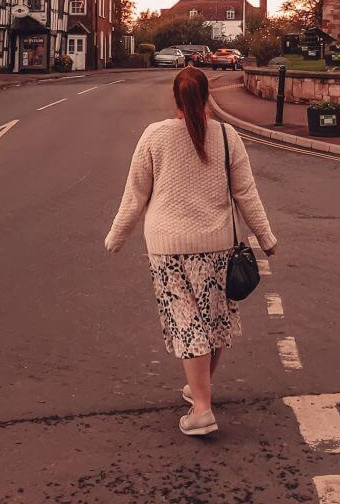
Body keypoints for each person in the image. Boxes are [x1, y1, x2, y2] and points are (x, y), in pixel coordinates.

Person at [104, 66, 277, 437]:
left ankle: (201, 408)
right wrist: (266, 237)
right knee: (212, 323)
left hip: (168, 249)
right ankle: (200, 391)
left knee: (187, 322)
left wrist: (117, 236)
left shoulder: (155, 135)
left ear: (176, 98)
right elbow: (246, 192)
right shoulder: (227, 136)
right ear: (207, 97)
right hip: (217, 245)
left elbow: (136, 194)